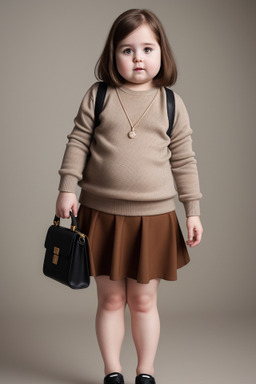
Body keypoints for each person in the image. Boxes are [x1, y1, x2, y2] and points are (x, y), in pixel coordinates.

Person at [56, 8, 203, 384]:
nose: (138, 57)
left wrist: (192, 210)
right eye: (127, 49)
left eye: (147, 48)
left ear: (161, 54)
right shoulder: (99, 95)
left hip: (153, 220)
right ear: (113, 55)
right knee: (109, 300)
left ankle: (145, 373)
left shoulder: (171, 103)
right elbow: (77, 142)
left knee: (143, 301)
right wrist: (66, 188)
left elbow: (184, 159)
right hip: (101, 214)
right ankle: (112, 372)